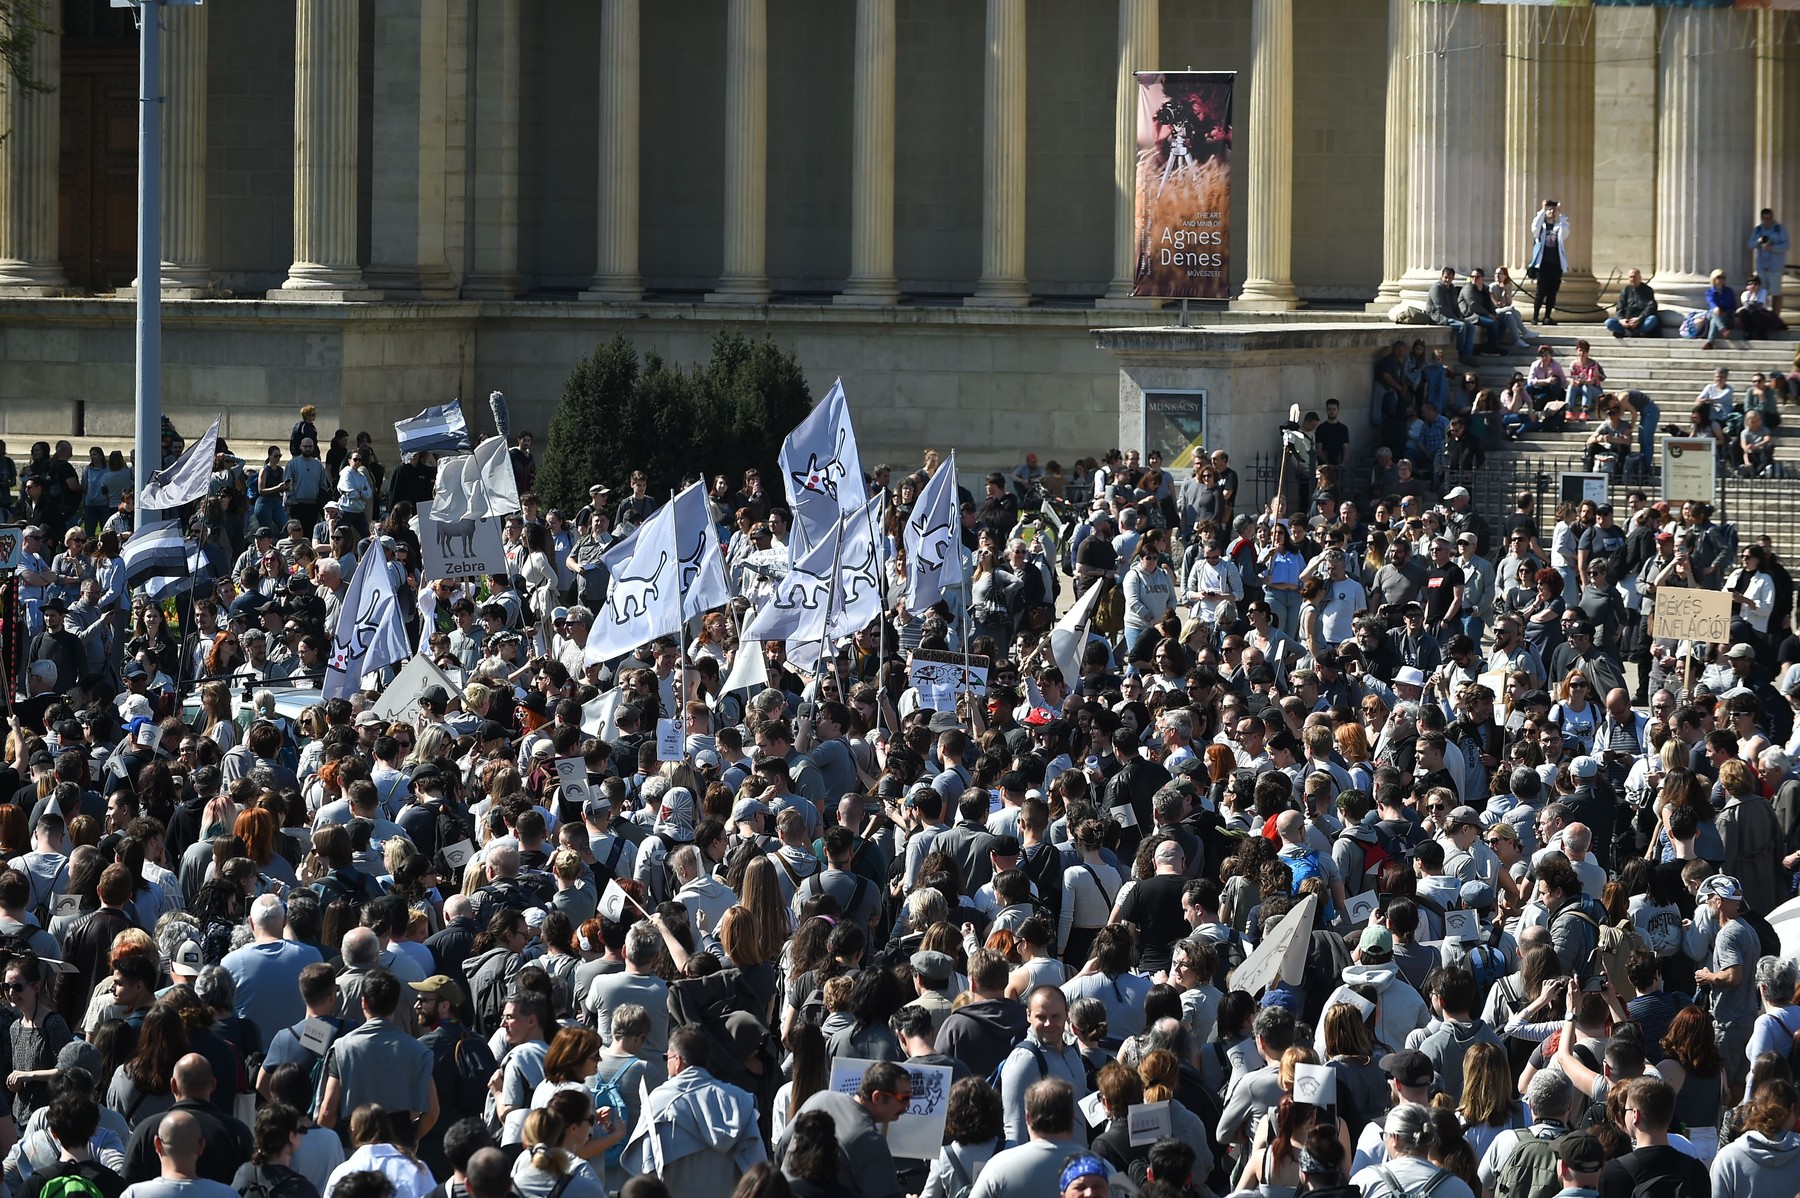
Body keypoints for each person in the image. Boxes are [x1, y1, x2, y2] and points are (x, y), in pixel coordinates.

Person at [1528, 200, 1569, 324]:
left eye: (1553, 210)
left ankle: (1547, 316)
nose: (1551, 211)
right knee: (1540, 292)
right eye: (1549, 209)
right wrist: (1542, 210)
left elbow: (1566, 230)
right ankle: (1535, 317)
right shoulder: (1541, 228)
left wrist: (1561, 213)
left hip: (1556, 265)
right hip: (1543, 265)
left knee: (1552, 293)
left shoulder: (1559, 226)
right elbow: (1534, 226)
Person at [1605, 268, 1659, 339]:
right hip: (1627, 322)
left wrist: (1639, 319)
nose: (1633, 279)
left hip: (1641, 321)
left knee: (1652, 319)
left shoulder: (1647, 290)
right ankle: (1628, 332)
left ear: (1639, 278)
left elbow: (1651, 307)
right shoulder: (1625, 291)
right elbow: (1620, 308)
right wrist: (1621, 320)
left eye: (1635, 277)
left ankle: (1632, 333)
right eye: (1631, 277)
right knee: (1609, 322)